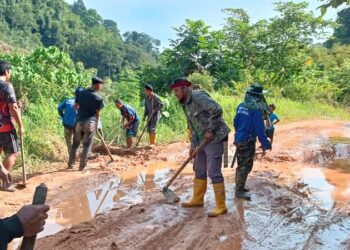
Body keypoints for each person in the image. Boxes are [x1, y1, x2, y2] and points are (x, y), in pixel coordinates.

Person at [171, 78, 230, 217]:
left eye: (176, 90)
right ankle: (197, 199)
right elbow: (192, 126)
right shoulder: (185, 104)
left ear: (185, 88)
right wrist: (193, 144)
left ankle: (221, 206)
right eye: (174, 91)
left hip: (215, 137)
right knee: (199, 168)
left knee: (213, 171)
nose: (175, 94)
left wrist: (210, 131)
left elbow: (217, 110)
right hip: (201, 139)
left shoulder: (198, 96)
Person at [233, 83, 272, 200]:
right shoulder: (255, 110)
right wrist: (266, 143)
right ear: (258, 96)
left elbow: (235, 121)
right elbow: (260, 130)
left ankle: (239, 187)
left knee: (241, 164)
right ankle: (239, 191)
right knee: (245, 166)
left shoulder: (241, 106)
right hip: (247, 141)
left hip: (239, 138)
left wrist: (239, 133)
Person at [68, 77, 104, 171]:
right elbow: (97, 112)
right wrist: (96, 124)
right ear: (97, 85)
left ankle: (70, 164)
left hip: (79, 121)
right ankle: (82, 166)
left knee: (75, 144)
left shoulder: (81, 93)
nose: (101, 87)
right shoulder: (98, 97)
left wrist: (80, 113)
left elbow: (75, 106)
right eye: (101, 85)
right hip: (90, 122)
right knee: (86, 145)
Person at [0, 61, 24, 191]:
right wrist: (20, 126)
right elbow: (13, 108)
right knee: (14, 152)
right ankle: (4, 182)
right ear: (7, 71)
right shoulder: (6, 86)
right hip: (5, 126)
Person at [57, 87, 84, 155]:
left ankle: (71, 156)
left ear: (74, 94)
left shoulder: (68, 101)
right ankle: (76, 154)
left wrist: (62, 116)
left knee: (69, 141)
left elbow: (59, 108)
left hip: (67, 125)